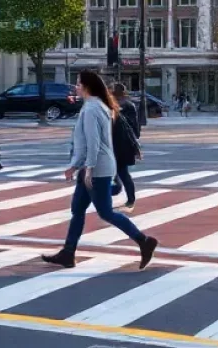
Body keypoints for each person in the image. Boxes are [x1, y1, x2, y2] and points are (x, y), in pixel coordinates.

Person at [41, 69, 157, 270]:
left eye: (78, 84)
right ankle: (68, 253)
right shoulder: (95, 106)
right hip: (92, 167)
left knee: (106, 212)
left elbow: (93, 144)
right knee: (77, 209)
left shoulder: (93, 109)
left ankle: (144, 241)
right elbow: (86, 143)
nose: (75, 87)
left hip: (97, 169)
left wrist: (88, 169)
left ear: (86, 87)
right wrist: (75, 166)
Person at [109, 82, 142, 213]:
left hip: (117, 145)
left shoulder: (119, 106)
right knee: (120, 172)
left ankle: (123, 195)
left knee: (119, 173)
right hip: (123, 145)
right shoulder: (128, 105)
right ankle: (129, 197)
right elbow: (135, 128)